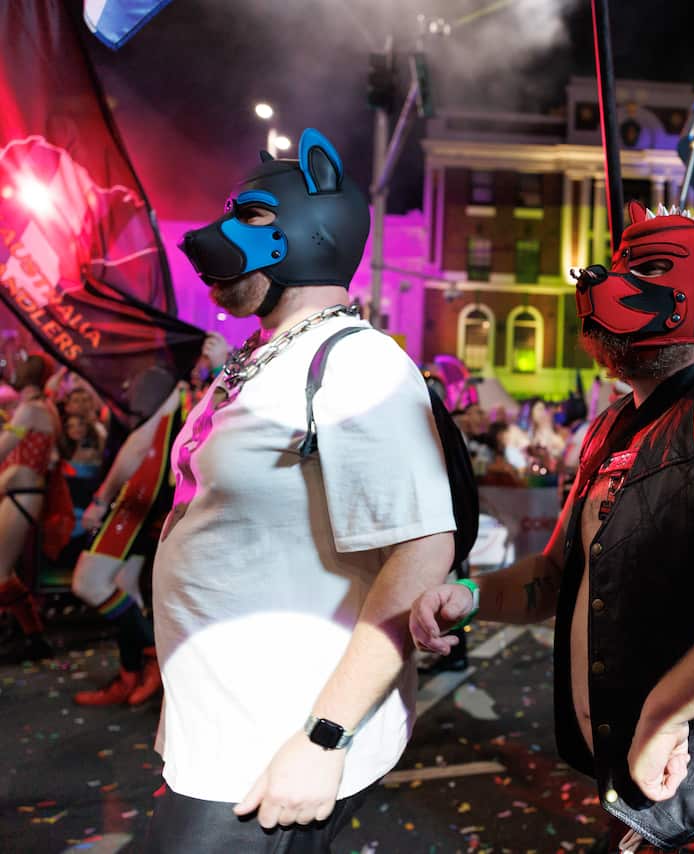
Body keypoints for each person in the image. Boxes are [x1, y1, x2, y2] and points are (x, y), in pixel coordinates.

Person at [411, 181, 694, 852]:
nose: (613, 282)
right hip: (649, 801)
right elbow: (555, 579)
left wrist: (667, 707)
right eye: (621, 266)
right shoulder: (611, 427)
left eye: (652, 267)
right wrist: (469, 596)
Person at [142, 129, 458, 852]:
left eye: (247, 217)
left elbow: (421, 550)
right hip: (214, 734)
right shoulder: (263, 359)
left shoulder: (357, 363)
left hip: (273, 751)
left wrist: (324, 738)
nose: (219, 236)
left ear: (308, 231)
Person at [72, 345, 224, 707]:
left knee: (89, 583)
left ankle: (154, 656)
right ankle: (131, 674)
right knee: (125, 588)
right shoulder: (178, 383)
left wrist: (102, 499)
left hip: (140, 493)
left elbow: (140, 444)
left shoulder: (165, 382)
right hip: (157, 497)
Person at [0, 354, 73, 664]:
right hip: (24, 493)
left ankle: (33, 635)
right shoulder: (45, 408)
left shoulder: (30, 410)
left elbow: (3, 449)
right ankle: (31, 633)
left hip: (23, 494)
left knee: (0, 571)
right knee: (4, 570)